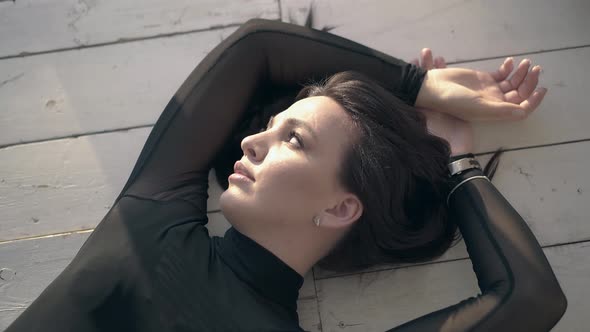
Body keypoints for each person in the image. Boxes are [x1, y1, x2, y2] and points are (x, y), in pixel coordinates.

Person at [5, 18, 567, 332]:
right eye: (272, 127)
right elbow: (259, 46)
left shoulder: (150, 218)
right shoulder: (148, 223)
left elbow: (532, 298)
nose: (252, 140)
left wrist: (454, 157)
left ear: (342, 207)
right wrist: (419, 85)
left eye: (291, 140)